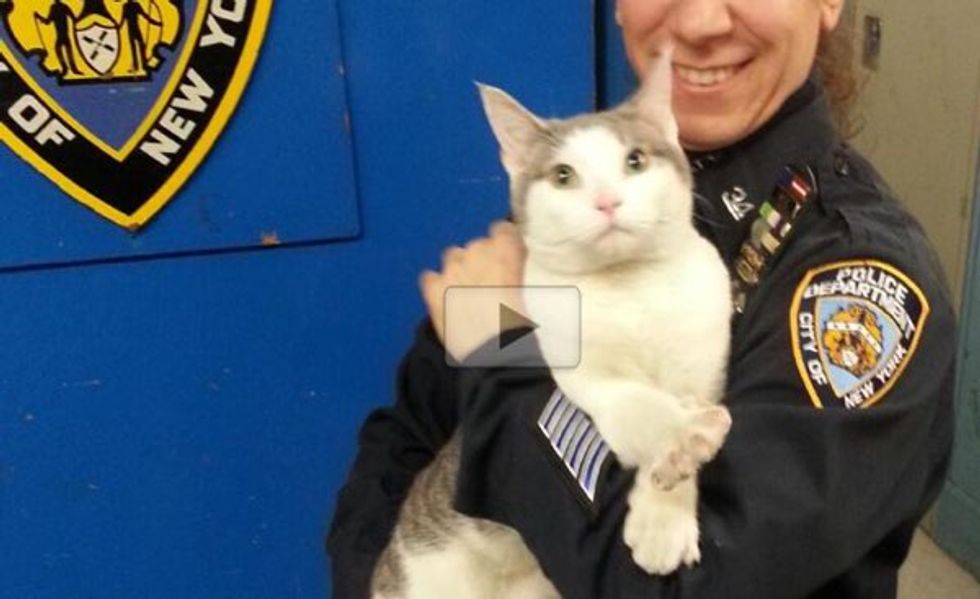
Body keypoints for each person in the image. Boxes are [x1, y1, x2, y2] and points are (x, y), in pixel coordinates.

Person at [327, 0, 957, 597]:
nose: (703, 19)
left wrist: (502, 354)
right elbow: (407, 438)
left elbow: (678, 585)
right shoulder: (566, 192)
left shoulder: (856, 286)